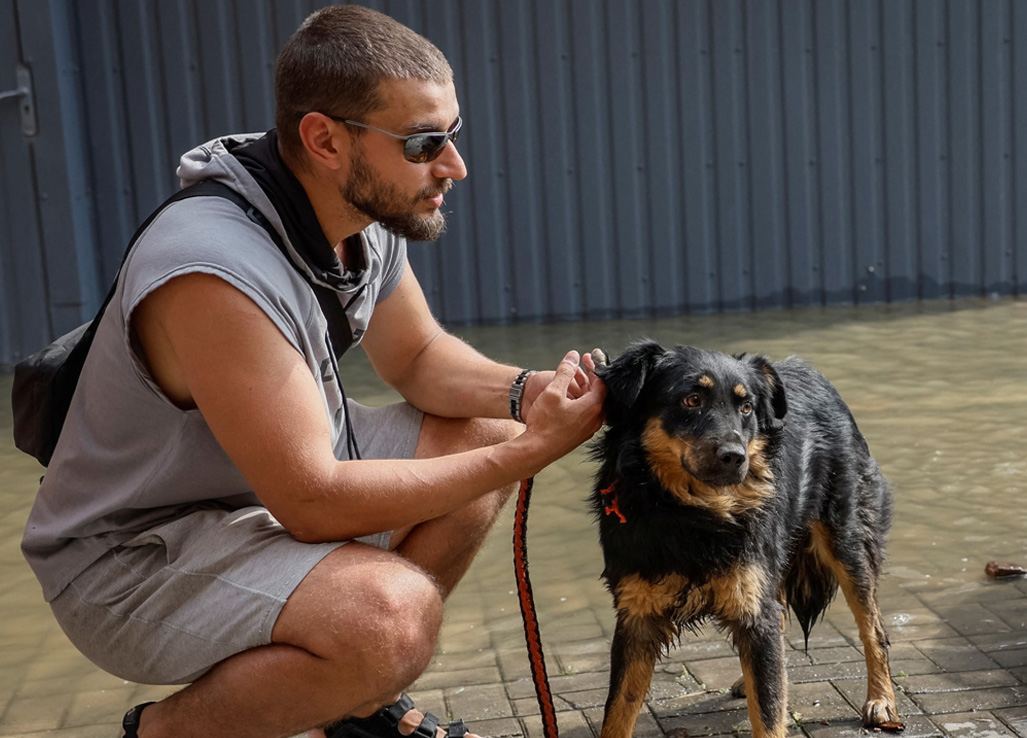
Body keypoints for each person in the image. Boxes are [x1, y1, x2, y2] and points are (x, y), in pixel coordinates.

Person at [20, 6, 605, 737]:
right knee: (392, 617)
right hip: (127, 559)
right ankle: (169, 732)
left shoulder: (353, 215)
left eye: (452, 134)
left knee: (482, 426)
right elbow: (315, 502)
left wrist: (528, 395)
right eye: (425, 142)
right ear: (325, 139)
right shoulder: (214, 270)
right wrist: (527, 453)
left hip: (246, 489)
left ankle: (353, 706)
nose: (454, 165)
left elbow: (420, 360)